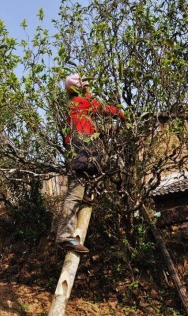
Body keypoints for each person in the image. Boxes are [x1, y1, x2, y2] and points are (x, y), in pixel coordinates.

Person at [56, 74, 124, 253]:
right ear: (81, 88)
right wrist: (123, 114)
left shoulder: (76, 107)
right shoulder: (82, 101)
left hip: (78, 146)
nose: (90, 89)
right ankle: (65, 237)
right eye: (87, 86)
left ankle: (86, 194)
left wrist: (107, 130)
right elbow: (107, 109)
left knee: (90, 173)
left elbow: (89, 127)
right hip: (81, 147)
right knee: (76, 191)